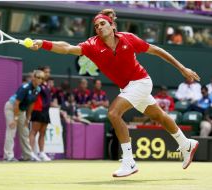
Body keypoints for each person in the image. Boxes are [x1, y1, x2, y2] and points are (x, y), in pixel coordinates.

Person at [30, 8, 200, 177]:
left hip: (141, 82)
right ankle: (186, 143)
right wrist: (44, 43)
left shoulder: (129, 38)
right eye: (96, 26)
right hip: (128, 87)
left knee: (113, 113)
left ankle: (128, 161)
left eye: (103, 23)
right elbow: (67, 48)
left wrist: (182, 68)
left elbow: (157, 50)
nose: (99, 27)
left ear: (112, 26)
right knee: (159, 116)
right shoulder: (91, 45)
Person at [3, 70, 44, 161]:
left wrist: (28, 118)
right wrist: (15, 119)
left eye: (42, 78)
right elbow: (17, 103)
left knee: (25, 132)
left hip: (21, 111)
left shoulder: (38, 89)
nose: (40, 80)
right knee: (11, 130)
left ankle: (27, 156)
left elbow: (31, 104)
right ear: (33, 77)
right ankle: (8, 156)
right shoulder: (24, 87)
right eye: (38, 77)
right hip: (11, 107)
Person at [29, 66, 52, 161]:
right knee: (33, 132)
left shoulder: (47, 84)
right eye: (46, 72)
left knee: (42, 133)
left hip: (45, 111)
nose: (48, 74)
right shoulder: (37, 84)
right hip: (37, 110)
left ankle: (41, 153)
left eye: (49, 72)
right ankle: (30, 153)